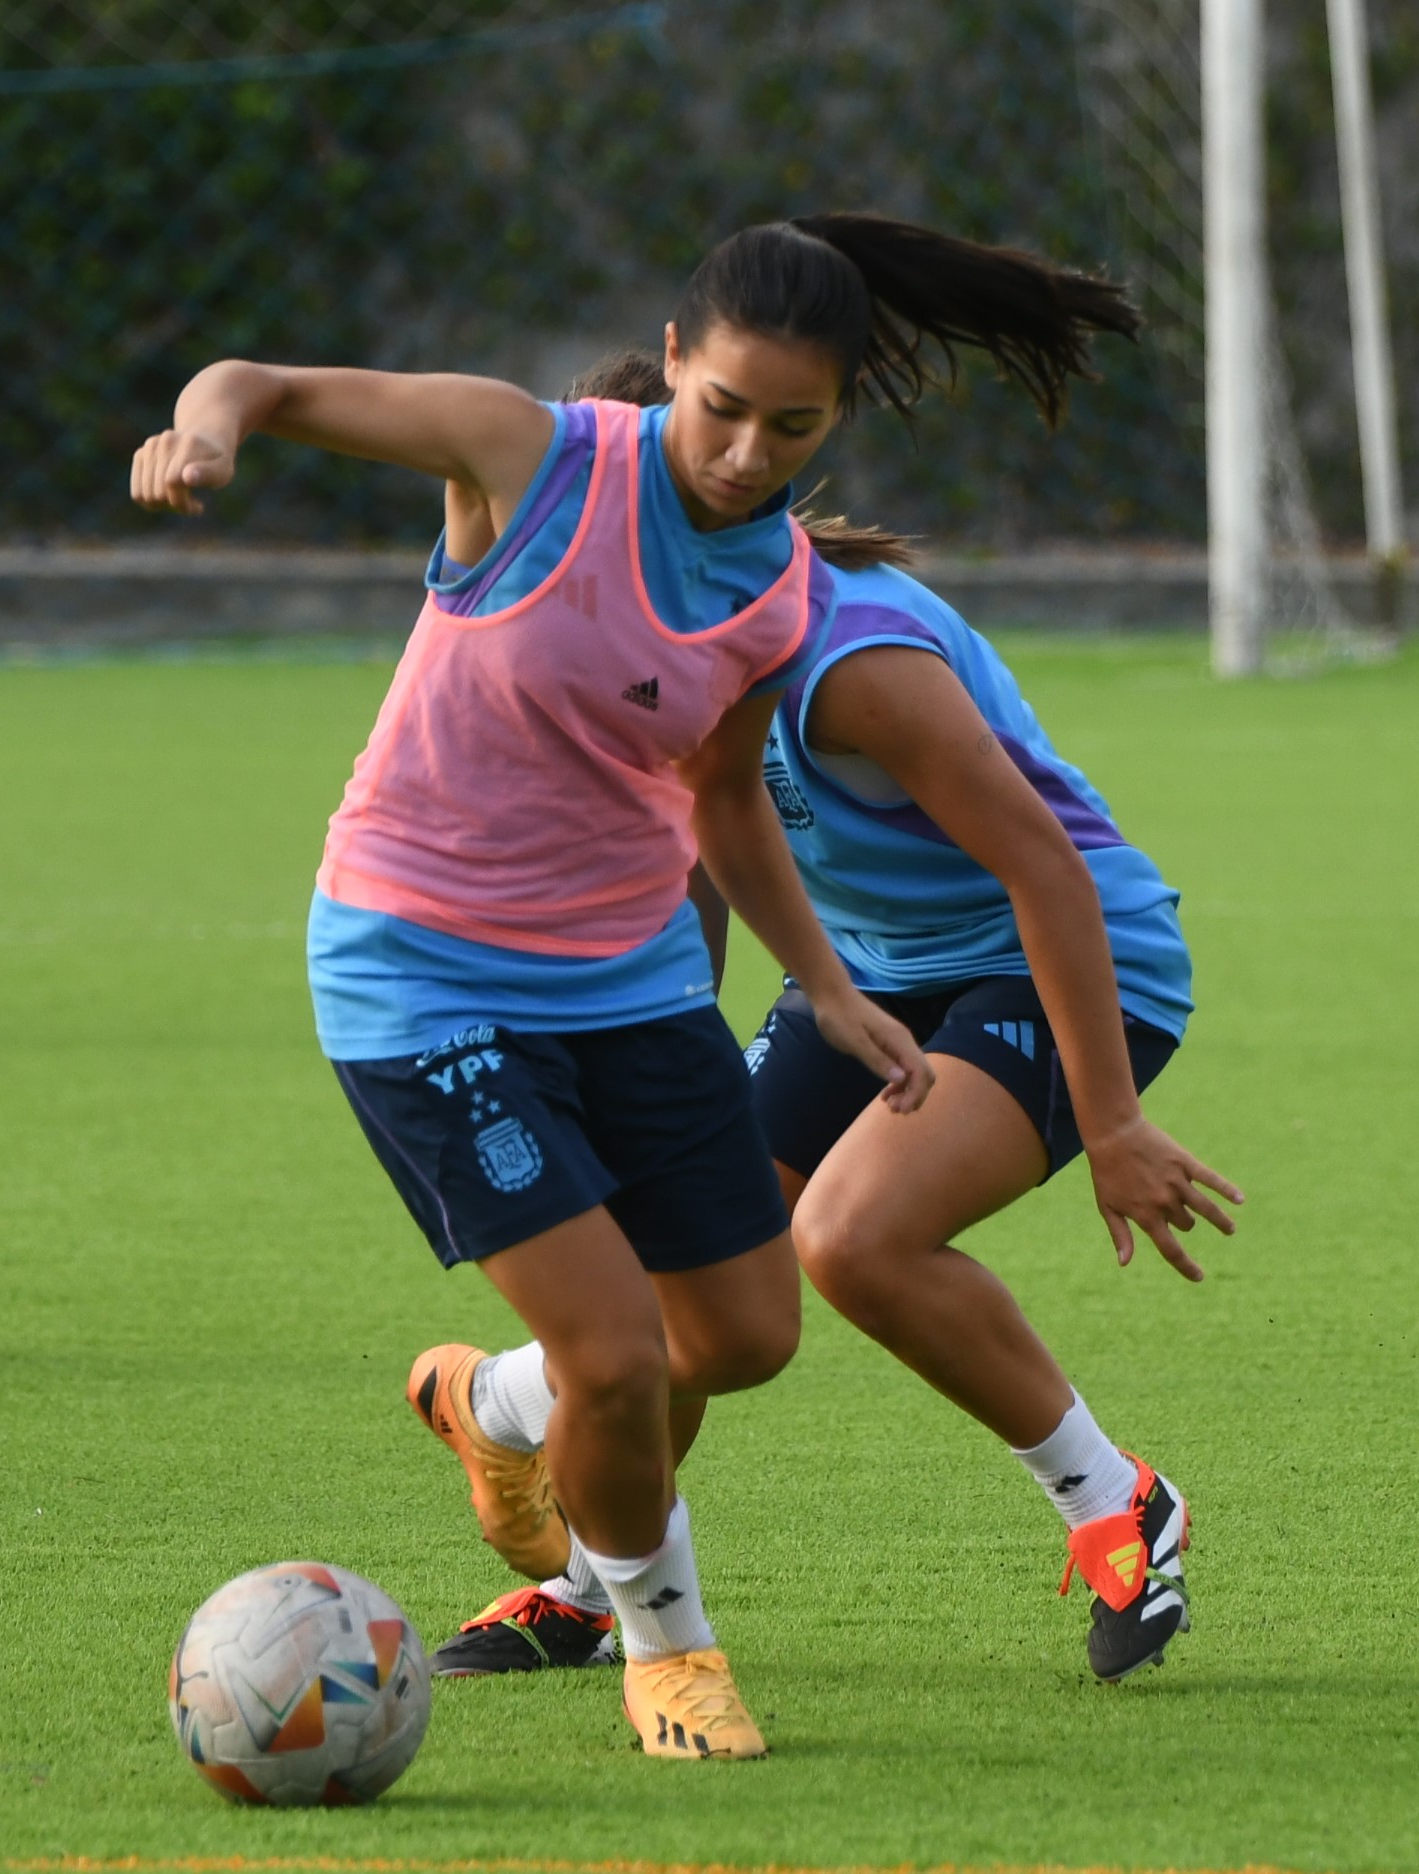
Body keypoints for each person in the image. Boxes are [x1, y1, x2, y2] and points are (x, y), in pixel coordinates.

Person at [131, 213, 1139, 1759]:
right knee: (613, 1348)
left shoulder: (781, 586)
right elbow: (251, 380)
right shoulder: (524, 453)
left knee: (740, 1333)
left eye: (790, 425)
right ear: (673, 360)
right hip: (424, 975)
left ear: (839, 416)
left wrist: (827, 984)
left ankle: (494, 1411)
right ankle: (664, 1647)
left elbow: (726, 802)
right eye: (721, 406)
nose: (743, 452)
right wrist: (199, 439)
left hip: (625, 979)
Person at [421, 347, 1240, 1689]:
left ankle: (1114, 1499)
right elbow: (693, 857)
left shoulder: (850, 656)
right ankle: (590, 1580)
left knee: (852, 1237)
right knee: (676, 1260)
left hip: (1067, 959)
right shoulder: (661, 645)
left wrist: (1112, 1122)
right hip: (865, 977)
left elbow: (1046, 872)